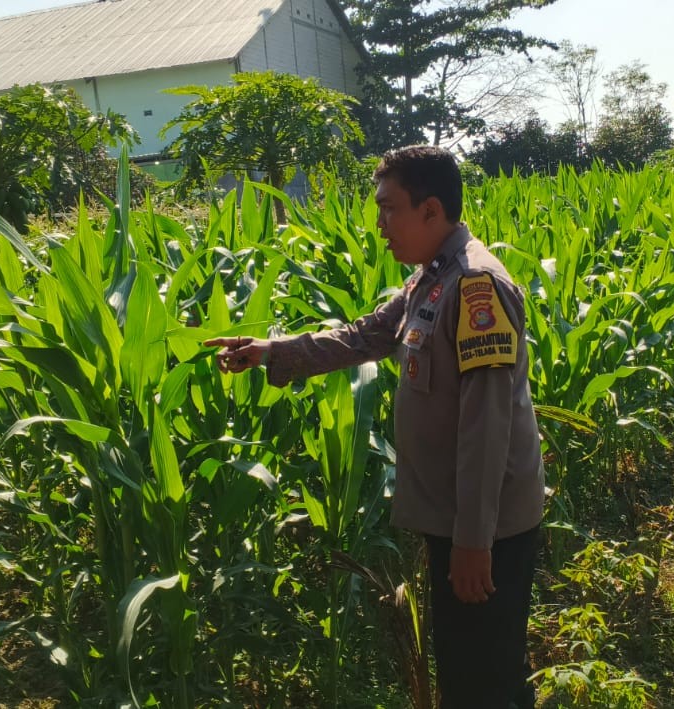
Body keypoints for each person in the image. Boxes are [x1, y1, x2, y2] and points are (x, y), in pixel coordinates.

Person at [206, 145, 545, 708]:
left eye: (389, 209)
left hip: (488, 528)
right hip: (457, 517)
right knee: (473, 668)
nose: (380, 224)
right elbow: (365, 336)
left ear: (430, 210)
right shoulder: (431, 278)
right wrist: (271, 351)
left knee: (483, 679)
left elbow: (488, 428)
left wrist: (473, 542)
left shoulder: (475, 286)